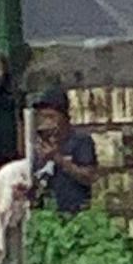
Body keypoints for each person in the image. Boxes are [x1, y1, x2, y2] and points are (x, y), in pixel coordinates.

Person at [24, 88, 100, 221]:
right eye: (42, 117)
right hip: (47, 218)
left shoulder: (80, 140)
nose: (46, 122)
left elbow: (89, 177)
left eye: (51, 117)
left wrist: (58, 159)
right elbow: (35, 186)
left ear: (64, 117)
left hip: (76, 217)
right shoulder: (40, 146)